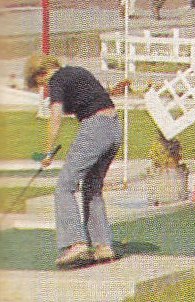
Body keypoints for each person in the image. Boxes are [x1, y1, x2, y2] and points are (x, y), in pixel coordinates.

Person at [24, 54, 124, 268]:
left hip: (96, 127)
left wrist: (48, 152)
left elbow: (56, 116)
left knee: (64, 186)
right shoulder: (78, 71)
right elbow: (96, 97)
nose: (44, 88)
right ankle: (102, 246)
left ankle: (74, 243)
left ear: (42, 74)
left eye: (40, 84)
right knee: (92, 188)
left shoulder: (56, 79)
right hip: (115, 129)